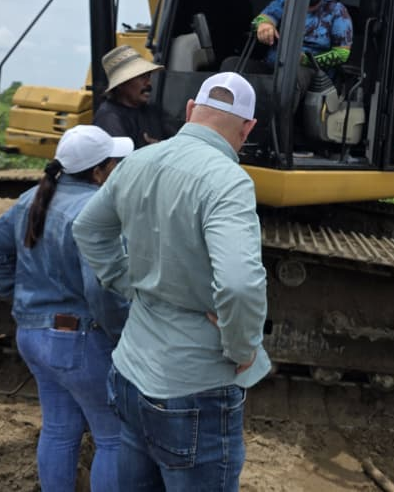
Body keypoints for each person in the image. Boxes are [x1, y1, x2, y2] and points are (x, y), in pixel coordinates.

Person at [73, 71, 270, 492]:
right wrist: (242, 347)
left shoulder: (138, 161)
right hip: (193, 386)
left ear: (190, 110)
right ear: (248, 127)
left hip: (129, 371)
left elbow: (88, 228)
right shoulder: (228, 180)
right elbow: (238, 285)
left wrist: (128, 283)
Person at [0, 125, 133, 492]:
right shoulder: (95, 210)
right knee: (113, 436)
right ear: (99, 171)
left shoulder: (31, 198)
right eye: (114, 163)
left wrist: (17, 293)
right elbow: (101, 289)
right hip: (79, 340)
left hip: (33, 335)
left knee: (60, 428)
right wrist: (122, 333)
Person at [252, 0, 353, 80]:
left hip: (312, 73)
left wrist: (305, 60)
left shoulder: (336, 10)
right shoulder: (285, 1)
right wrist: (264, 24)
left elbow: (342, 53)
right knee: (236, 68)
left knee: (291, 76)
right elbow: (261, 19)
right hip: (273, 66)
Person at [92, 44, 165, 148]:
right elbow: (121, 157)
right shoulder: (109, 118)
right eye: (141, 77)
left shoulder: (151, 111)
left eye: (148, 76)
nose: (148, 83)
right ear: (121, 84)